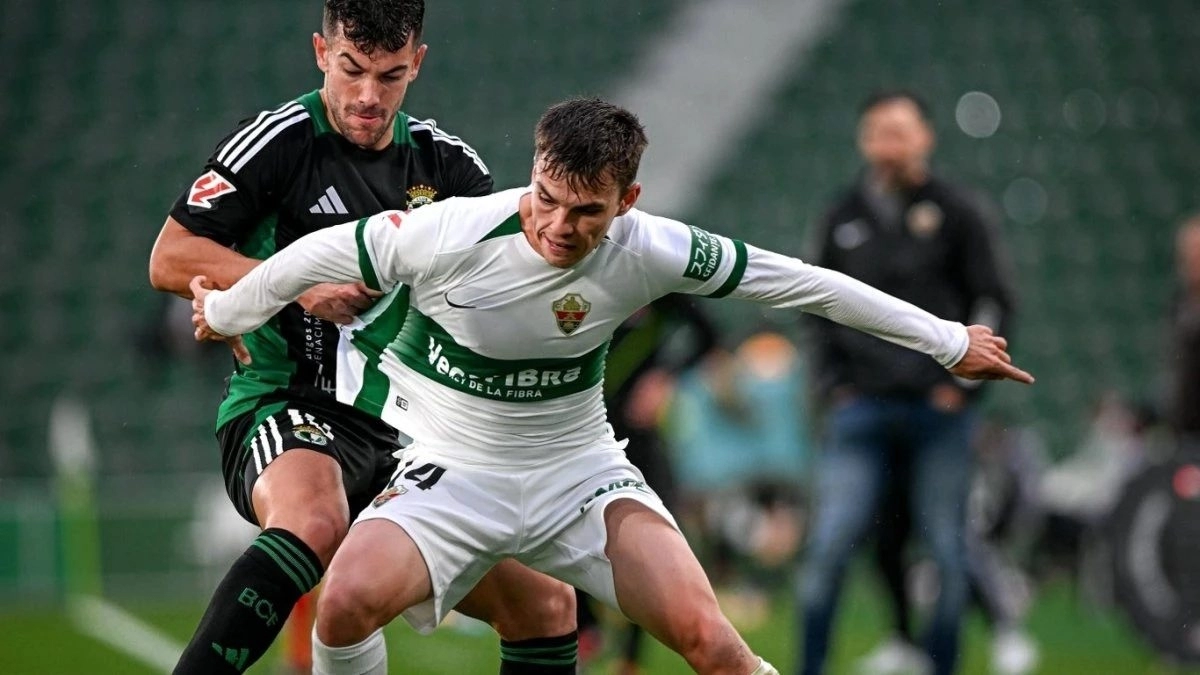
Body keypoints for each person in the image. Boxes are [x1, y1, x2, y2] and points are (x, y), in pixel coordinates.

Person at [191, 97, 1033, 675]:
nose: (559, 227)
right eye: (548, 199)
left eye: (587, 213)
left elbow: (800, 282)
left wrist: (949, 339)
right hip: (452, 474)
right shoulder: (450, 230)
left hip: (581, 477)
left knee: (712, 641)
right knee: (341, 607)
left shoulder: (655, 249)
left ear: (627, 199)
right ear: (534, 172)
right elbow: (314, 257)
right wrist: (229, 306)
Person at [148, 2, 575, 673]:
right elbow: (169, 257)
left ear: (418, 65)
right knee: (316, 520)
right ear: (322, 52)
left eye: (391, 76)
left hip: (402, 431)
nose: (369, 96)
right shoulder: (278, 141)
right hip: (285, 404)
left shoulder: (451, 170)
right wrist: (289, 285)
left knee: (546, 602)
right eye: (352, 70)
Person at [797, 90, 1017, 675]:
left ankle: (940, 662)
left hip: (937, 412)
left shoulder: (958, 212)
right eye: (877, 131)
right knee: (829, 547)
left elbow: (994, 300)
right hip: (859, 409)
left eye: (900, 130)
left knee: (947, 549)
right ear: (863, 140)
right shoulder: (841, 215)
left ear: (926, 137)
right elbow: (810, 308)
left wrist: (963, 390)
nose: (888, 143)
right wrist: (831, 385)